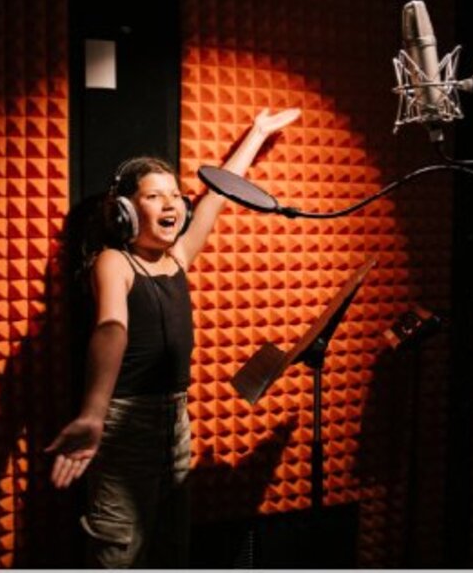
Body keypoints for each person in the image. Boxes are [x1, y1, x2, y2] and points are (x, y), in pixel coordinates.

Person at [45, 107, 301, 568]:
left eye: (176, 196)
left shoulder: (179, 257)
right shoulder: (114, 262)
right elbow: (111, 328)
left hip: (176, 425)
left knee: (170, 551)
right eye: (153, 196)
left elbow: (219, 196)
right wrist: (94, 413)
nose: (171, 205)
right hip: (126, 427)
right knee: (117, 552)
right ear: (124, 211)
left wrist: (257, 135)